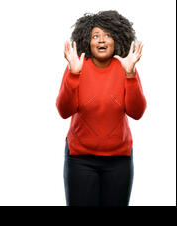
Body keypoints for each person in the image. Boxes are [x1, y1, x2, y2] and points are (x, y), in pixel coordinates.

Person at [56, 10, 146, 206]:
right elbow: (63, 111)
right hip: (80, 159)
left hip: (119, 160)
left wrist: (130, 75)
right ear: (87, 41)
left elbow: (137, 113)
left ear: (117, 40)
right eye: (95, 36)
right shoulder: (77, 66)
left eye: (107, 35)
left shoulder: (125, 67)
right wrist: (73, 74)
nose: (101, 41)